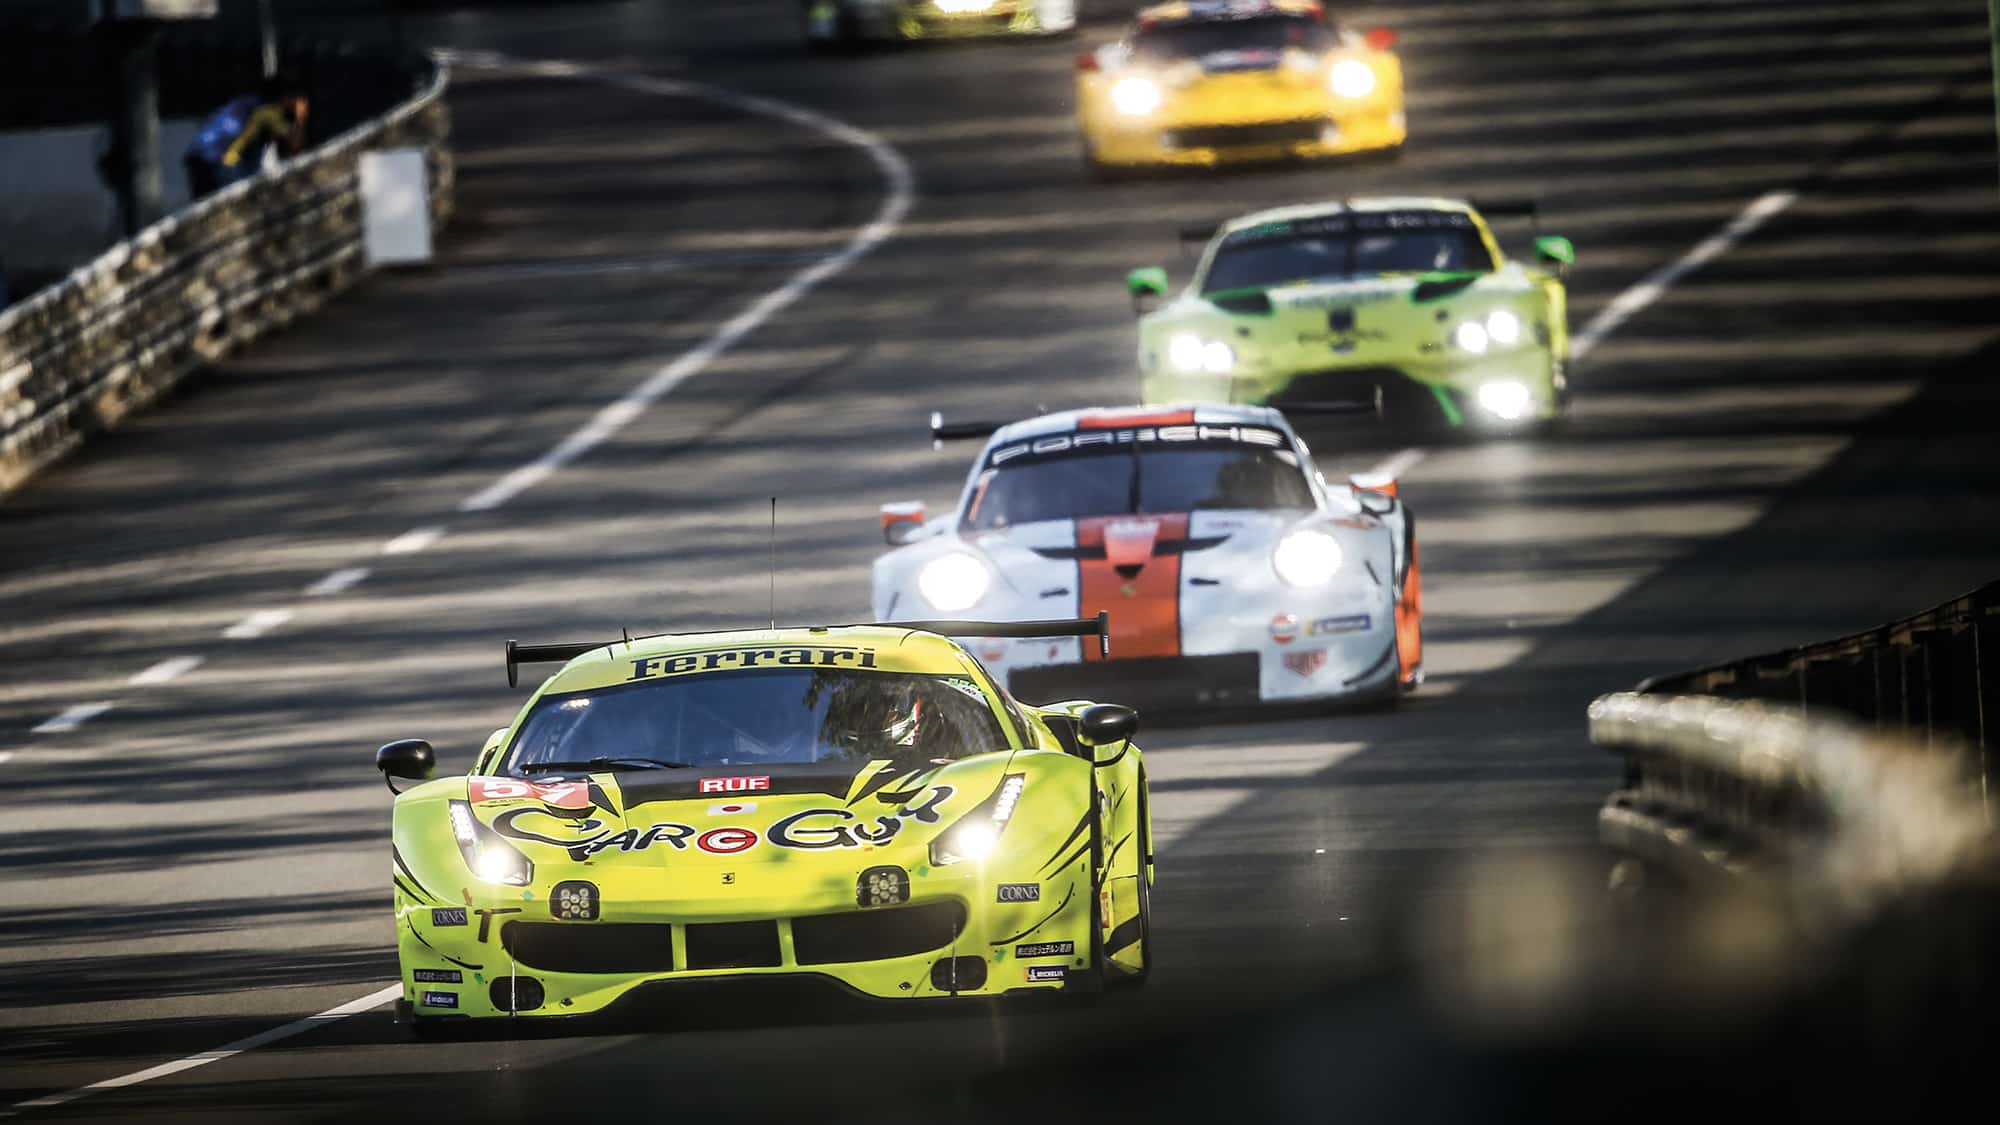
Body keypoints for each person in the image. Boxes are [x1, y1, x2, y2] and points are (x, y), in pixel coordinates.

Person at [183, 74, 309, 200]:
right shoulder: (267, 112)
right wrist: (300, 118)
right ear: (288, 97)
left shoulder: (248, 102)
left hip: (198, 155)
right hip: (221, 159)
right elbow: (294, 146)